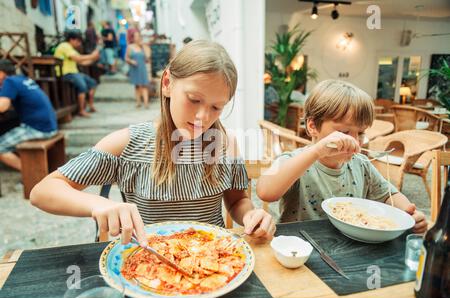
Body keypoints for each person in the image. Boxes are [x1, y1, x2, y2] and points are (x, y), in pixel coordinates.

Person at [30, 40, 276, 246]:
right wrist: (98, 204)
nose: (203, 117)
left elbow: (236, 201)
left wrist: (251, 215)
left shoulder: (225, 144)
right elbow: (43, 191)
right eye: (193, 99)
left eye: (216, 107)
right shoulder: (127, 143)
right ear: (167, 83)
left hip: (214, 259)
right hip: (151, 262)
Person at [256, 79, 427, 234]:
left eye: (360, 133)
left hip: (348, 244)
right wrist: (316, 151)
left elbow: (387, 194)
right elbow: (265, 192)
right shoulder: (296, 161)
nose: (353, 140)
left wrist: (408, 213)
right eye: (343, 132)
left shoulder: (361, 164)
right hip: (298, 248)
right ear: (312, 126)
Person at [0, 59, 57, 172]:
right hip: (49, 125)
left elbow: (2, 107)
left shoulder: (9, 81)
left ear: (2, 72)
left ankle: (31, 173)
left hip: (38, 128)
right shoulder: (23, 79)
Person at [54, 31, 100, 117]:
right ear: (71, 39)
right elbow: (78, 59)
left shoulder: (71, 49)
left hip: (74, 73)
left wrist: (94, 58)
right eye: (78, 41)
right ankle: (81, 110)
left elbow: (82, 62)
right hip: (66, 73)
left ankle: (90, 105)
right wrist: (92, 56)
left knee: (93, 83)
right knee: (83, 87)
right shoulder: (64, 46)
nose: (79, 44)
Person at [126, 32, 150, 109]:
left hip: (142, 68)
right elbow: (126, 58)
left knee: (144, 85)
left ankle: (146, 103)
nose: (137, 38)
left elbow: (147, 58)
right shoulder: (130, 47)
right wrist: (131, 61)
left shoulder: (143, 46)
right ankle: (138, 102)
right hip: (134, 68)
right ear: (133, 38)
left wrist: (144, 47)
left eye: (138, 36)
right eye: (135, 36)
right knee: (137, 86)